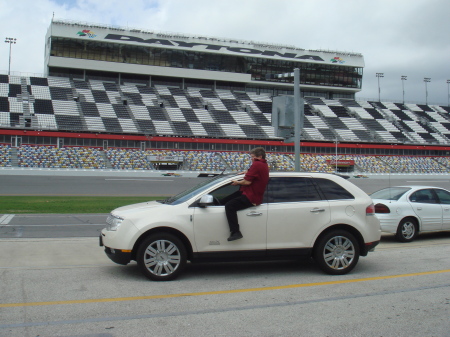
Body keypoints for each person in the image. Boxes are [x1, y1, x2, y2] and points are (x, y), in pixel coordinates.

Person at [224, 147, 269, 241]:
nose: (251, 159)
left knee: (229, 205)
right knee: (225, 200)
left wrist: (237, 182)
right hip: (249, 193)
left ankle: (235, 232)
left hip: (251, 197)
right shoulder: (263, 164)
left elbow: (247, 182)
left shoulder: (257, 164)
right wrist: (247, 172)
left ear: (260, 156)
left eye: (253, 157)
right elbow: (255, 174)